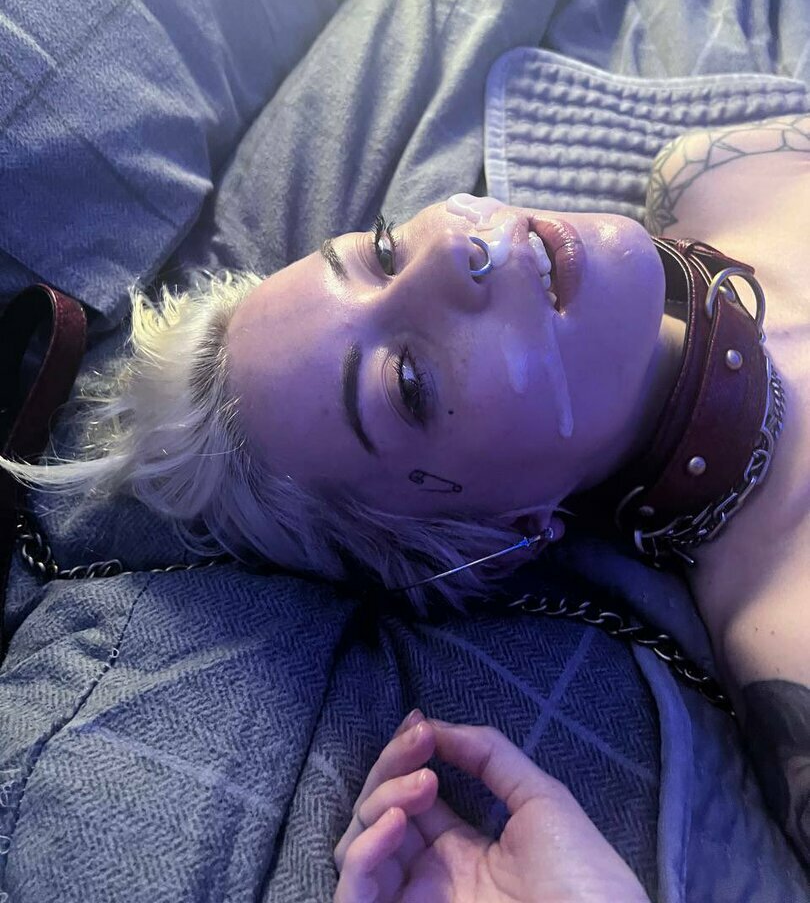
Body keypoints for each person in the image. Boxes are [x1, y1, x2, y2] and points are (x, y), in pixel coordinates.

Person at [1, 113, 809, 892]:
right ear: (508, 529)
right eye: (409, 383)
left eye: (384, 254)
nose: (455, 247)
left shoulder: (712, 173)